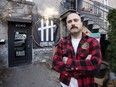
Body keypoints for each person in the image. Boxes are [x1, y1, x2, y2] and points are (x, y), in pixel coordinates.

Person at [52, 12, 102, 87]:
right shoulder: (63, 42)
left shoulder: (92, 42)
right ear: (67, 25)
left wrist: (68, 62)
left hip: (85, 84)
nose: (72, 23)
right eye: (69, 21)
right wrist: (85, 64)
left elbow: (95, 66)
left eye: (76, 20)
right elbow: (55, 64)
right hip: (65, 84)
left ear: (81, 24)